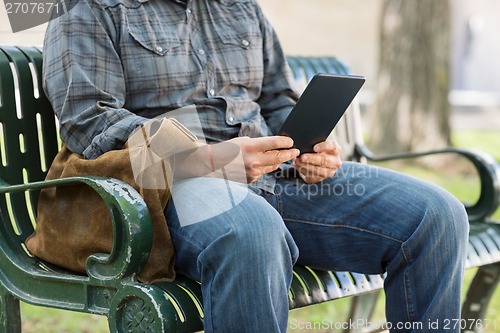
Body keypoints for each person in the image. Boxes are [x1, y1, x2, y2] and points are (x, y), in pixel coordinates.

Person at [39, 0, 469, 332]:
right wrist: (206, 158)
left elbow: (277, 97)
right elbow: (89, 119)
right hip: (166, 185)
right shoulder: (87, 7)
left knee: (436, 216)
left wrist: (309, 146)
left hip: (272, 176)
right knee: (250, 229)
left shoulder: (240, 6)